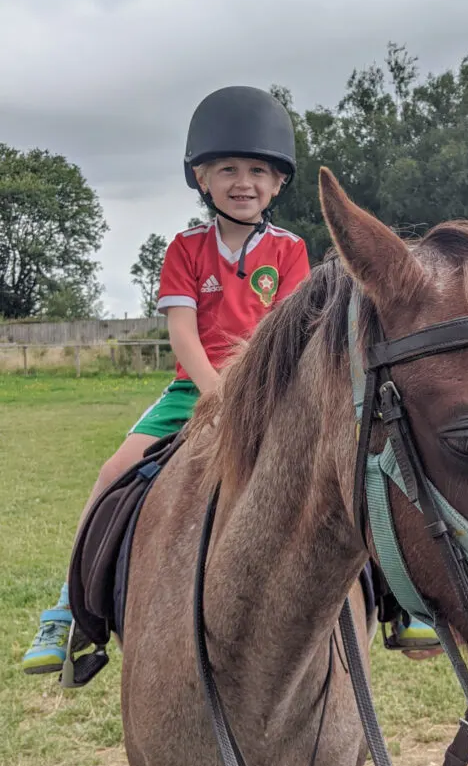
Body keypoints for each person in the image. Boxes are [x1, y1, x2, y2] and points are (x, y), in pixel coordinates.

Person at [22, 86, 310, 674]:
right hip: (193, 390)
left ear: (278, 183)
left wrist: (253, 394)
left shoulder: (292, 251)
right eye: (227, 168)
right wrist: (219, 395)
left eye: (258, 169)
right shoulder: (184, 249)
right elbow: (183, 335)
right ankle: (67, 612)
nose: (243, 181)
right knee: (112, 474)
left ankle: (397, 604)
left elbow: (290, 331)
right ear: (201, 178)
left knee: (343, 466)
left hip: (273, 389)